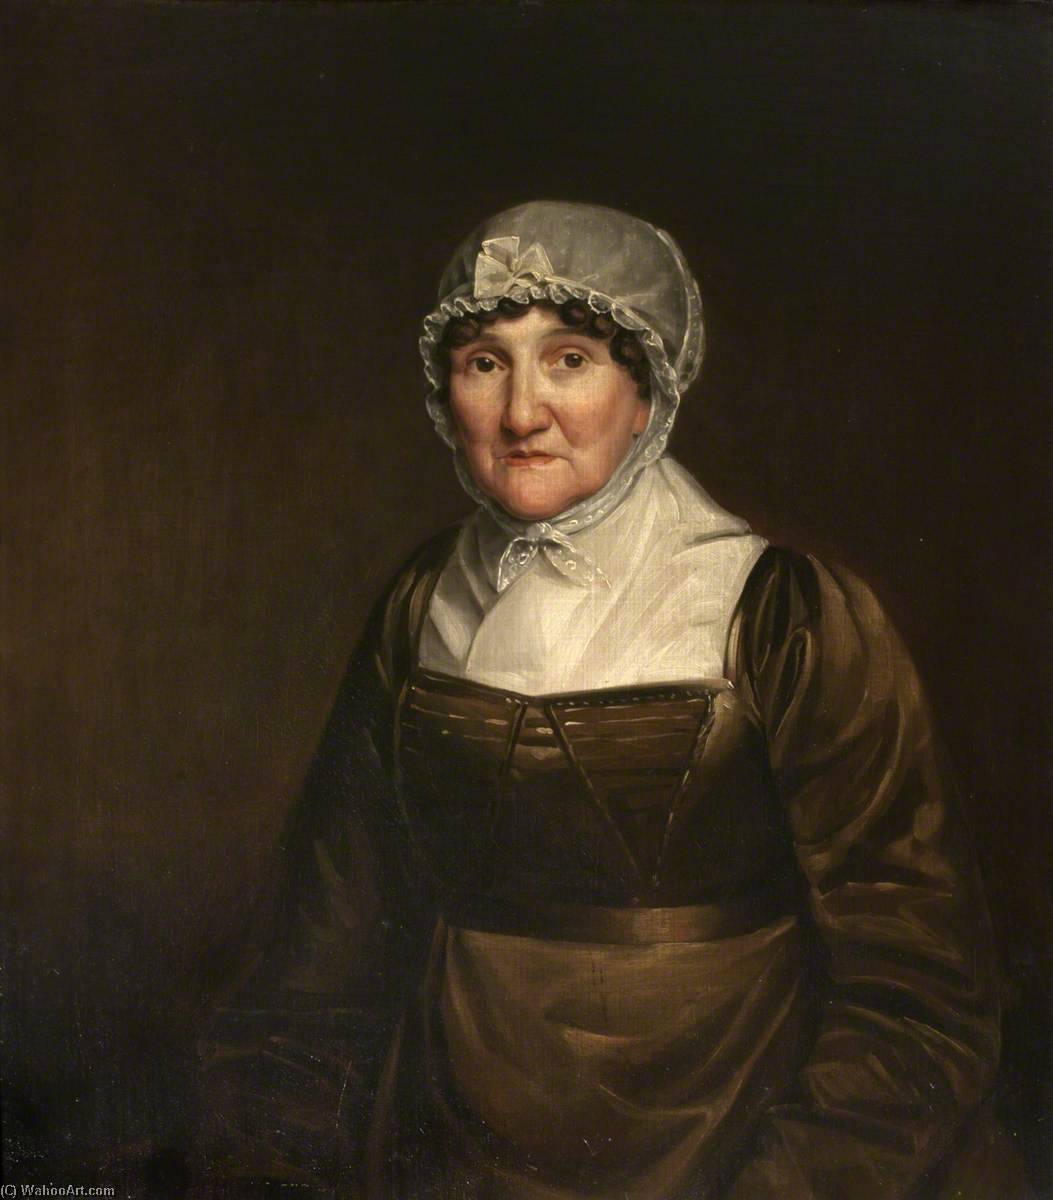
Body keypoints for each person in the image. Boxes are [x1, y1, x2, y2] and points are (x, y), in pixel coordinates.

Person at [197, 202, 1027, 1198]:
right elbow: (322, 956)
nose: (521, 414)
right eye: (484, 362)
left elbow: (921, 995)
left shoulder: (781, 614)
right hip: (448, 1145)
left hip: (738, 1146)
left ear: (649, 393)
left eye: (570, 359)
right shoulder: (419, 605)